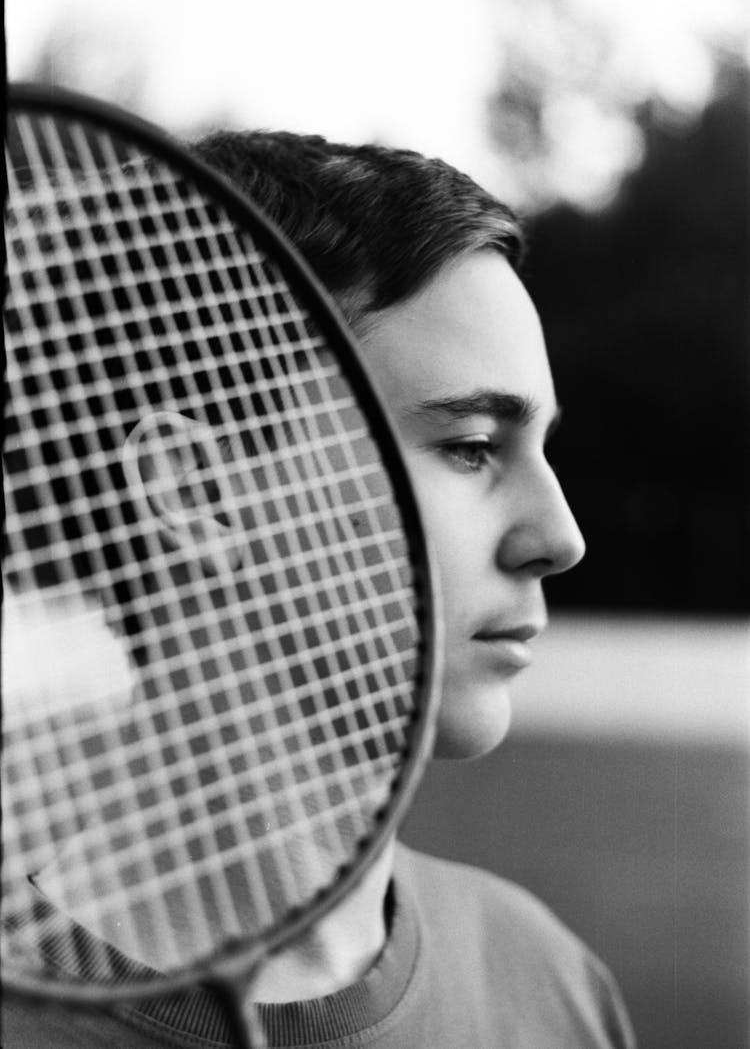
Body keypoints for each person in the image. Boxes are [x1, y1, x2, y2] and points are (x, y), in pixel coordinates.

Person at [4, 130, 636, 1048]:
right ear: (197, 493)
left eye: (543, 448)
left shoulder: (550, 984)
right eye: (470, 447)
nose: (560, 538)